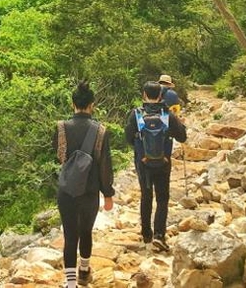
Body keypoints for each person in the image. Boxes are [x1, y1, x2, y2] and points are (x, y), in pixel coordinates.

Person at [53, 80, 114, 287]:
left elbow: (59, 156)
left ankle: (70, 284)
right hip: (90, 191)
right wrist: (108, 194)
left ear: (73, 104)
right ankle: (84, 271)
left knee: (70, 235)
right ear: (92, 105)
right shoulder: (100, 131)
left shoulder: (61, 128)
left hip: (67, 190)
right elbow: (105, 165)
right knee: (86, 231)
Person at [123, 77, 187, 251]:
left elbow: (128, 138)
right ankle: (159, 235)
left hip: (143, 163)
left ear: (144, 95)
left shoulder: (136, 114)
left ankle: (146, 234)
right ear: (161, 95)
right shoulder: (168, 115)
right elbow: (182, 137)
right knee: (163, 198)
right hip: (163, 162)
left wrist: (141, 148)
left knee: (146, 196)